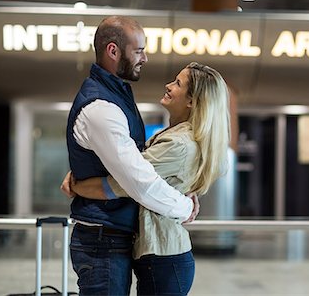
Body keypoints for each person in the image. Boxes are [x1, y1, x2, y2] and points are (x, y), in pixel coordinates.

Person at [62, 62, 231, 295]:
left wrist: (76, 184)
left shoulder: (179, 144)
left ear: (192, 101)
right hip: (162, 255)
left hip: (164, 257)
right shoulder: (178, 136)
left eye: (178, 83)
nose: (169, 86)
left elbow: (122, 183)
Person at [63, 16, 199, 296]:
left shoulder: (117, 95)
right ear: (113, 51)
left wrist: (82, 180)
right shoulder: (101, 106)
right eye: (139, 50)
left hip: (113, 238)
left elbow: (130, 166)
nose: (145, 58)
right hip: (102, 241)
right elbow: (140, 181)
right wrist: (184, 208)